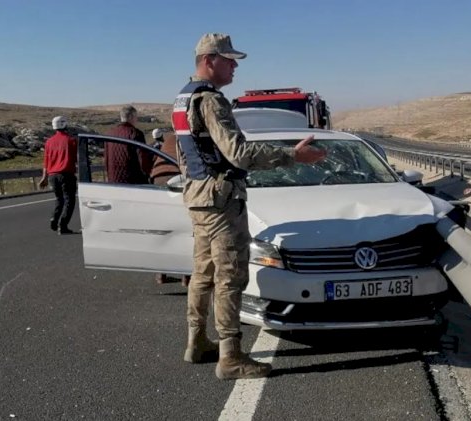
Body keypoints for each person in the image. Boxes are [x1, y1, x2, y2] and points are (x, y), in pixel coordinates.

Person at [173, 33, 325, 380]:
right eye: (229, 60)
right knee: (230, 276)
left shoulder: (183, 98)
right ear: (209, 60)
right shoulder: (211, 101)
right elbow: (238, 153)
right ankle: (230, 356)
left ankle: (196, 341)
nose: (235, 66)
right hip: (221, 200)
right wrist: (292, 155)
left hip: (199, 196)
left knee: (203, 274)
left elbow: (187, 155)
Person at [149, 128, 190, 286]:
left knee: (163, 230)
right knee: (184, 231)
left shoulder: (168, 142)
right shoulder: (186, 140)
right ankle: (186, 275)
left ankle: (161, 273)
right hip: (177, 182)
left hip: (158, 181)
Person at [38, 116, 78, 234]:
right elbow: (75, 159)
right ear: (65, 125)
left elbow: (46, 161)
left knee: (59, 199)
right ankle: (63, 225)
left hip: (52, 176)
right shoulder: (71, 140)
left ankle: (54, 219)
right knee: (69, 200)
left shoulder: (49, 142)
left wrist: (44, 177)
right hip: (66, 174)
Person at [104, 105, 152, 184]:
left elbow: (106, 158)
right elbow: (142, 159)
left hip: (113, 181)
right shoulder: (135, 133)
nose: (137, 120)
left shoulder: (109, 134)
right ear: (131, 117)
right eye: (136, 117)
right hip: (132, 182)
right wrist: (149, 173)